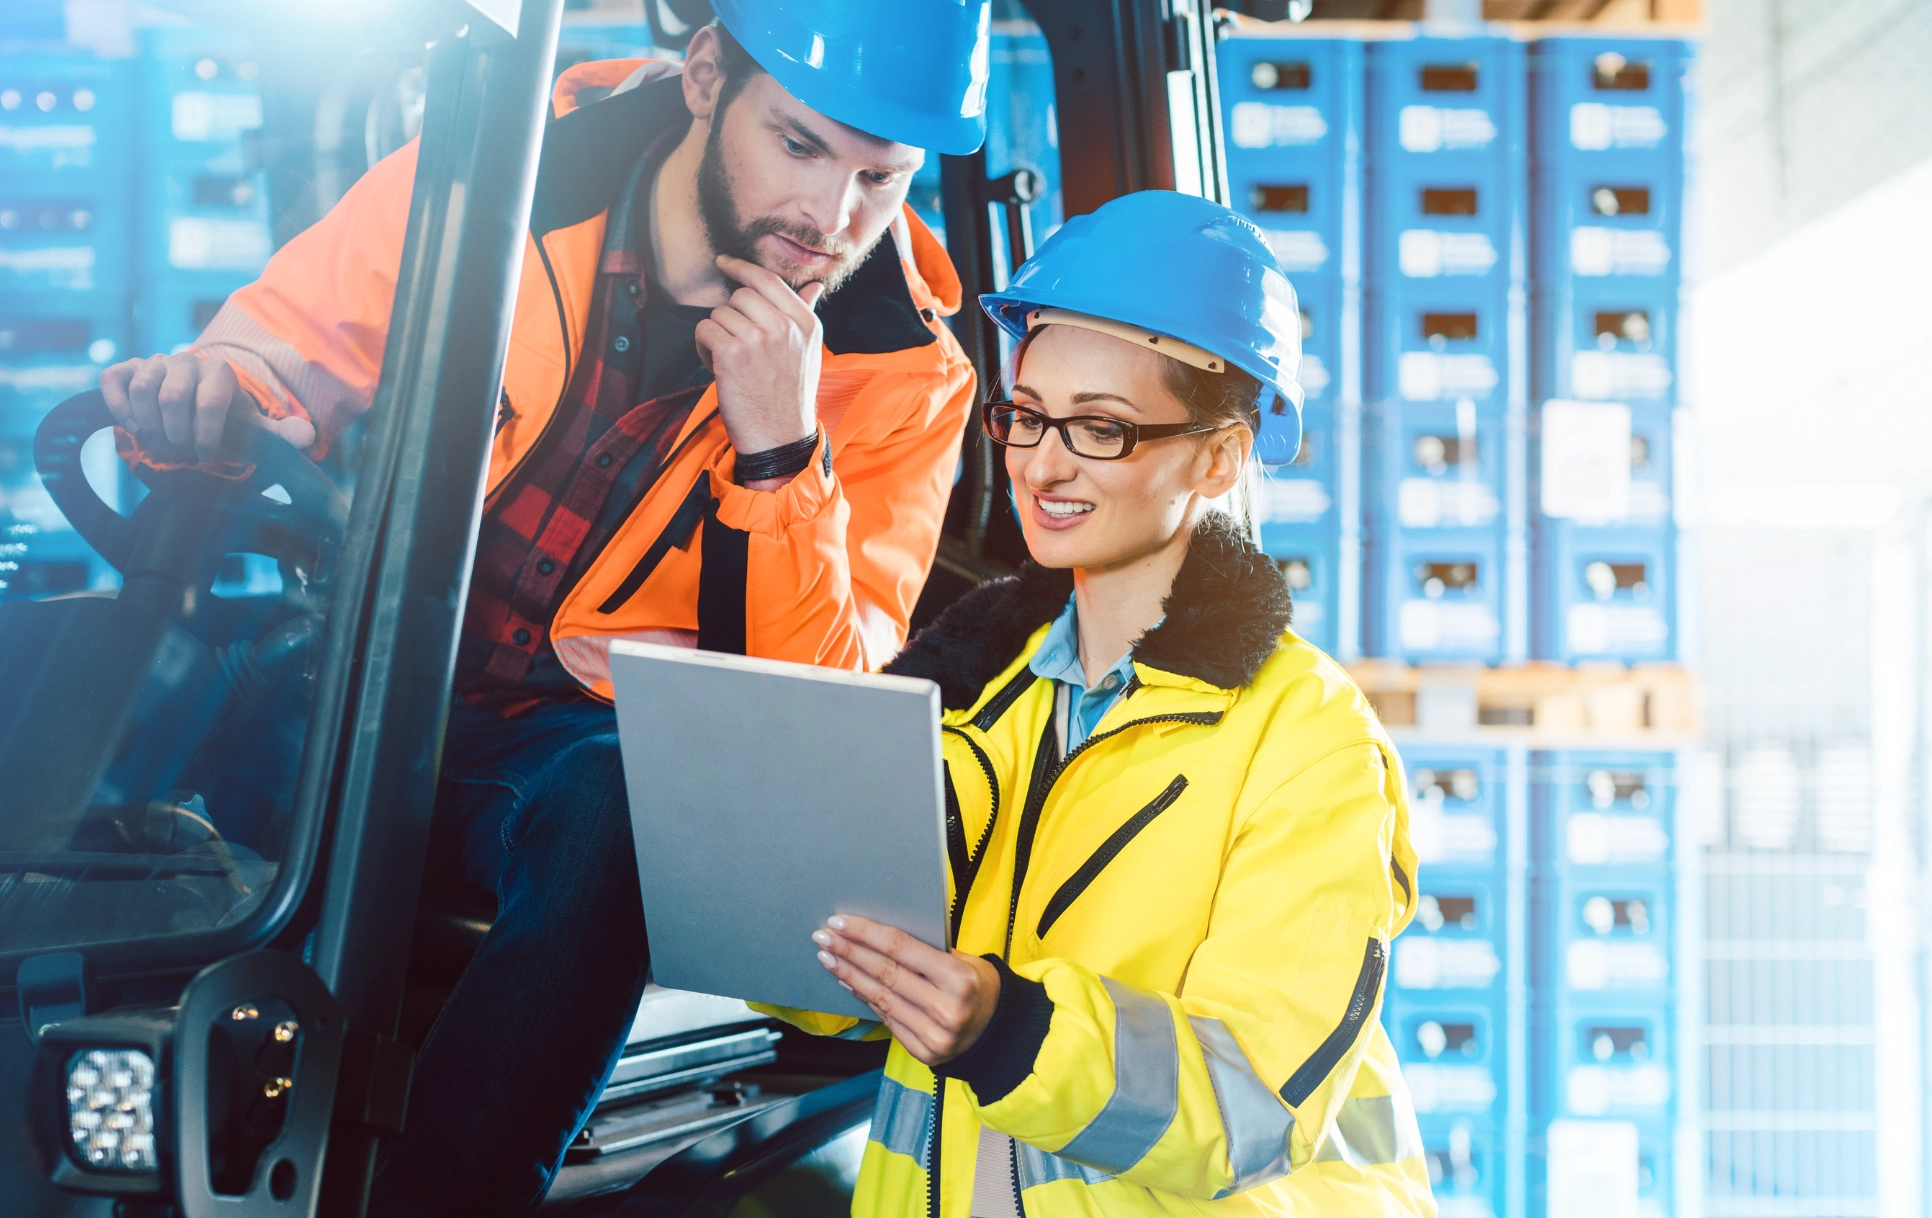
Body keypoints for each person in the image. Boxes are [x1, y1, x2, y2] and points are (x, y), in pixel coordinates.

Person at [96, 3, 990, 1213]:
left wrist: (779, 452)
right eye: (799, 146)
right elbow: (286, 347)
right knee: (78, 690)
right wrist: (214, 394)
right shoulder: (489, 176)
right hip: (361, 676)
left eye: (881, 180)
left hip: (569, 747)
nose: (831, 222)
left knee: (616, 816)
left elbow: (812, 713)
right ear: (708, 76)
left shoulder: (903, 381)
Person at [761, 191, 1436, 1215]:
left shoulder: (1308, 745)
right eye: (1026, 416)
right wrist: (787, 931)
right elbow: (836, 1009)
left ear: (1219, 456)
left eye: (1102, 430)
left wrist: (1009, 1030)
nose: (1042, 463)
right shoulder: (971, 700)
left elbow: (1251, 1104)